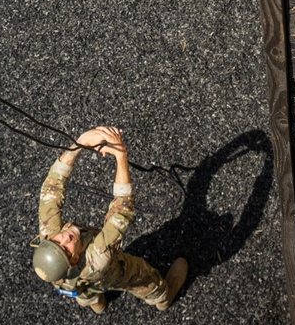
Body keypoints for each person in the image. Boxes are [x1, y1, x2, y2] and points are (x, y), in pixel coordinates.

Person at [32, 125, 188, 315]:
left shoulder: (49, 248)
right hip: (109, 274)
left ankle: (96, 304)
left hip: (73, 283)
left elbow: (52, 188)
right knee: (143, 277)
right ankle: (163, 297)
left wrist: (79, 143)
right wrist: (121, 155)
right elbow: (122, 211)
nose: (65, 238)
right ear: (74, 260)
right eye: (66, 248)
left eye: (58, 241)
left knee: (83, 293)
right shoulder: (98, 258)